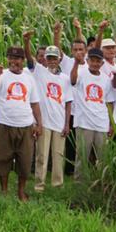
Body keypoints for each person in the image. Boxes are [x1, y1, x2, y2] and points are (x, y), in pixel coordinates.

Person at [0, 44, 43, 201]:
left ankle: (21, 190)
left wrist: (39, 124)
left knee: (24, 160)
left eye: (17, 58)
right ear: (7, 59)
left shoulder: (28, 78)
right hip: (4, 124)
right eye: (11, 58)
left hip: (25, 125)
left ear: (23, 60)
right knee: (2, 158)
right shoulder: (1, 74)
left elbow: (34, 103)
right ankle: (4, 190)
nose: (14, 61)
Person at [28, 39, 72, 189]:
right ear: (45, 59)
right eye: (50, 58)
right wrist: (27, 41)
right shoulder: (40, 72)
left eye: (55, 58)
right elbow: (29, 59)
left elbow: (68, 103)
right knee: (42, 155)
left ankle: (57, 184)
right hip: (44, 122)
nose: (52, 61)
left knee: (58, 156)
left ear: (59, 59)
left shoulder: (65, 78)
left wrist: (67, 124)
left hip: (59, 123)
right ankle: (39, 184)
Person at [69, 47, 115, 176]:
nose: (95, 63)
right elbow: (72, 81)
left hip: (101, 123)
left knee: (103, 158)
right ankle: (80, 187)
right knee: (82, 157)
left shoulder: (106, 79)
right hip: (84, 123)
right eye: (92, 60)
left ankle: (101, 185)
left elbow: (109, 102)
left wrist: (111, 124)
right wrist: (76, 63)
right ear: (88, 61)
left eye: (98, 61)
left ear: (102, 63)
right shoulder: (81, 73)